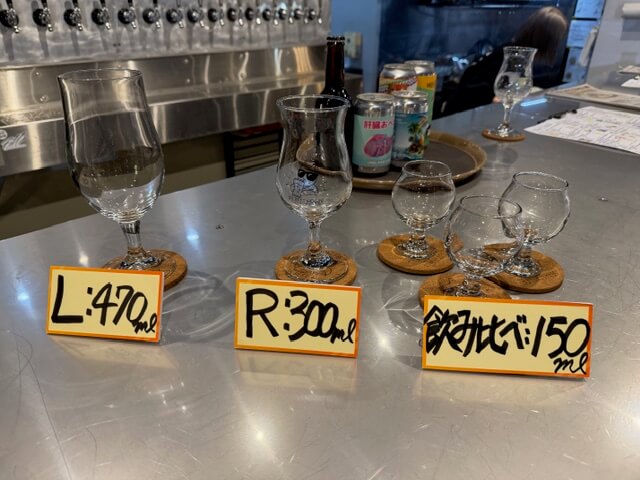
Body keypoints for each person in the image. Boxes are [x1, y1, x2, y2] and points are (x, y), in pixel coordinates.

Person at [443, 7, 569, 116]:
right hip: (464, 111)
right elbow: (476, 88)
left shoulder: (517, 53)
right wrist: (494, 97)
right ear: (548, 40)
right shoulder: (513, 57)